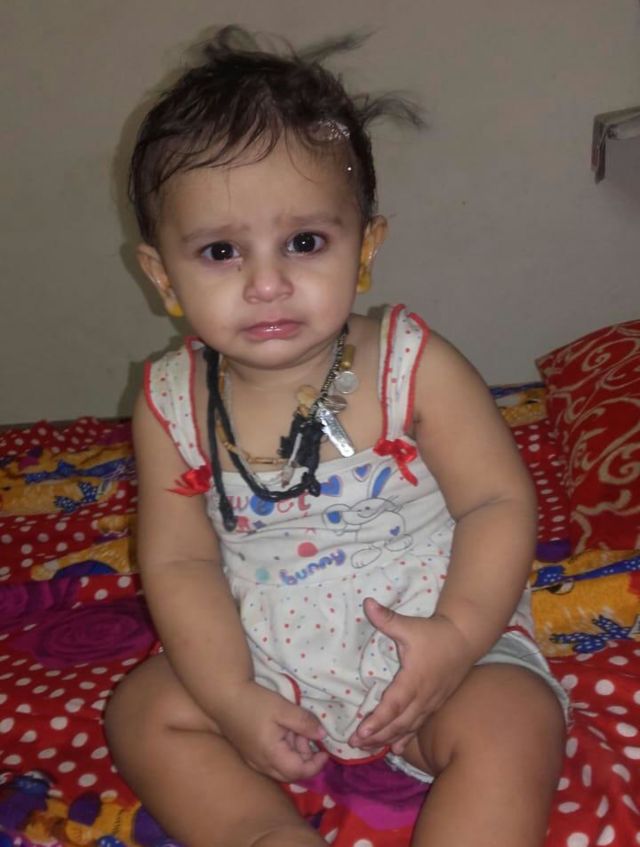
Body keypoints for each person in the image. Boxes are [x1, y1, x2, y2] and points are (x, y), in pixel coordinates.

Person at [105, 25, 568, 847]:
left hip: (437, 652)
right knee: (142, 711)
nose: (268, 281)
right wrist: (231, 696)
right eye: (221, 250)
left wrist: (458, 636)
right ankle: (265, 833)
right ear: (162, 275)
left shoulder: (413, 365)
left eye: (305, 242)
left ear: (365, 247)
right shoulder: (170, 403)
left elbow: (498, 500)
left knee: (515, 721)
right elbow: (179, 563)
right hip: (266, 666)